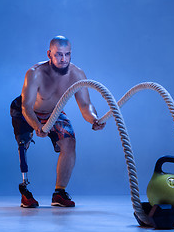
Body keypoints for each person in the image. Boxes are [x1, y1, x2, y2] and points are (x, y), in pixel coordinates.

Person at [10, 36, 105, 208]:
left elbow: (85, 105)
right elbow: (26, 107)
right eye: (59, 55)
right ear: (49, 54)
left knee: (70, 143)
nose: (63, 59)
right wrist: (36, 126)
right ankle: (25, 190)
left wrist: (94, 119)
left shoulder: (77, 74)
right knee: (23, 145)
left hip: (53, 112)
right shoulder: (35, 73)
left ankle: (59, 193)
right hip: (27, 111)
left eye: (67, 54)